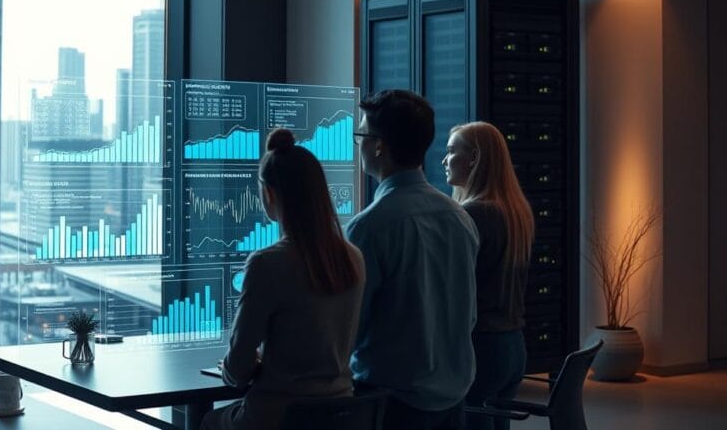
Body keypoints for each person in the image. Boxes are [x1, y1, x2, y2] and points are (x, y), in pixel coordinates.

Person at [202, 128, 365, 430]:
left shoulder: (267, 264)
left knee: (210, 421)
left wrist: (233, 368)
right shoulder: (352, 257)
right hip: (339, 417)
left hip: (279, 418)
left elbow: (237, 371)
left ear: (269, 194)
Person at [347, 89, 479, 430]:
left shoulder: (369, 228)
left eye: (360, 135)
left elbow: (351, 326)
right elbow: (468, 313)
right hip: (453, 400)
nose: (357, 144)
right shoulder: (459, 217)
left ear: (378, 145)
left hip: (392, 405)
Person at [443, 122, 534, 430]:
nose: (444, 160)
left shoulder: (473, 213)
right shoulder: (515, 209)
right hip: (512, 346)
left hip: (481, 347)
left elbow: (451, 284)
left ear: (475, 158)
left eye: (452, 151)